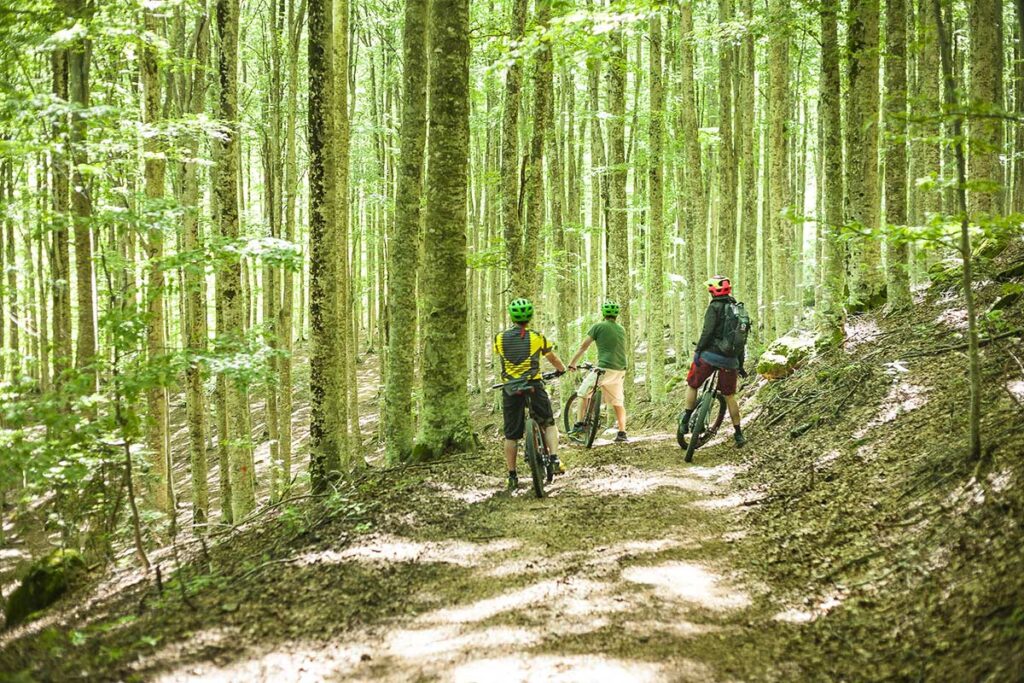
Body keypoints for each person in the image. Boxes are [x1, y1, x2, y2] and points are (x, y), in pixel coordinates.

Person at [493, 298, 567, 491]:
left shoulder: (499, 338)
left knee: (511, 435)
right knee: (548, 422)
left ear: (512, 317)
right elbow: (552, 357)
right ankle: (554, 458)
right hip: (534, 385)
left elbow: (499, 355)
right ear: (530, 317)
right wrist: (561, 369)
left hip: (511, 388)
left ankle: (512, 475)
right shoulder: (537, 337)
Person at [680, 276, 748, 447]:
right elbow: (740, 342)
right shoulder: (738, 311)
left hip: (710, 356)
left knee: (693, 384)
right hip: (731, 361)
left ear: (712, 291)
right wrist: (740, 364)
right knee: (730, 397)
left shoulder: (714, 307)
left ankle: (685, 419)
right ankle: (738, 434)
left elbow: (707, 332)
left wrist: (698, 351)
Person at [567, 300, 629, 443]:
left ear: (603, 313)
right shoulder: (621, 329)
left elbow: (583, 346)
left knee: (582, 393)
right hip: (619, 370)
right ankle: (622, 433)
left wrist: (572, 363)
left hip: (604, 368)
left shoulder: (598, 326)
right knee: (618, 402)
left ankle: (579, 425)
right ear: (616, 315)